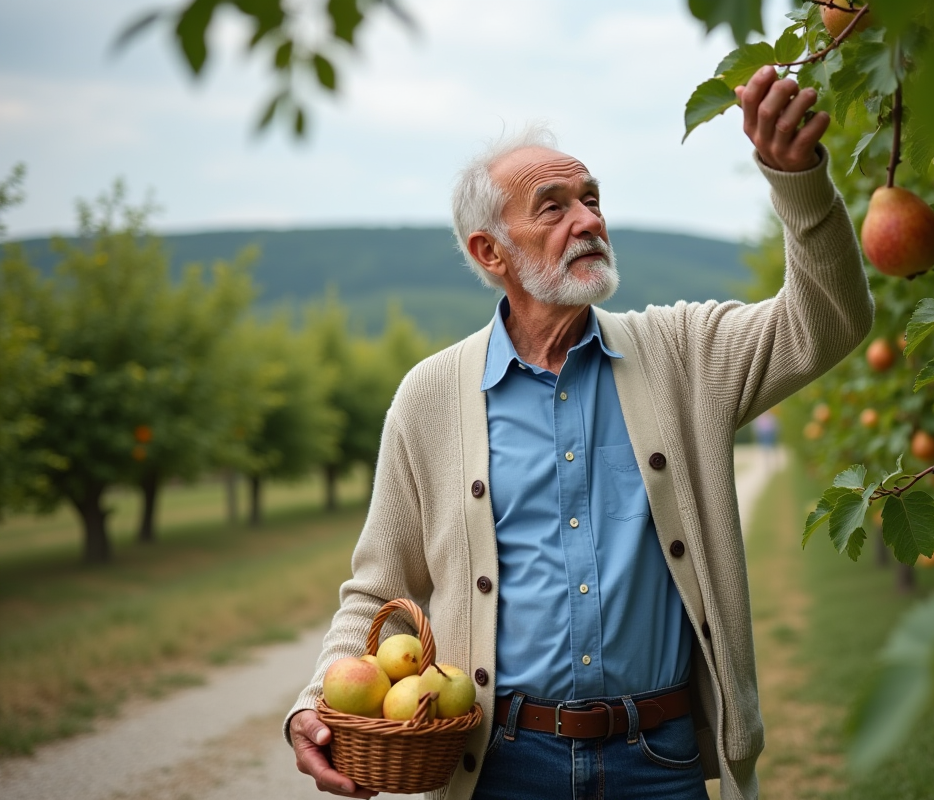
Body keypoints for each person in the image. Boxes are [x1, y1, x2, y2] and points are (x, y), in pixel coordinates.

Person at [285, 65, 874, 800]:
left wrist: (800, 184)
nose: (588, 220)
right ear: (489, 253)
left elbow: (829, 322)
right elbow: (377, 588)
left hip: (657, 762)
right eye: (553, 207)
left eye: (592, 200)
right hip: (500, 765)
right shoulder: (429, 398)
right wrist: (315, 702)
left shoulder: (682, 353)